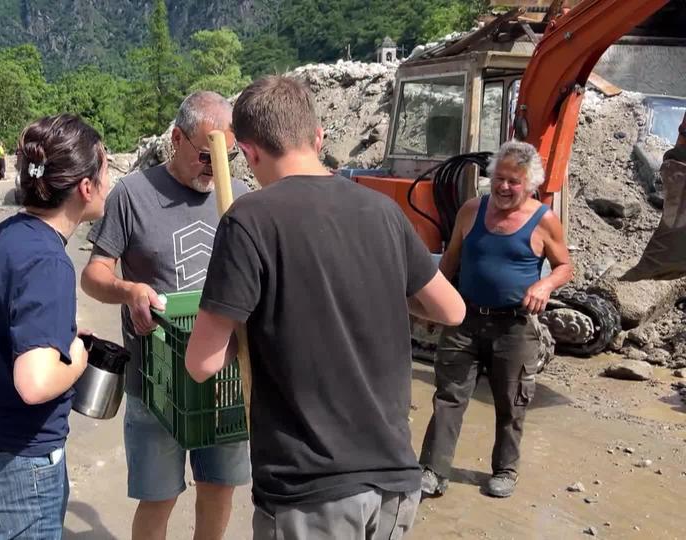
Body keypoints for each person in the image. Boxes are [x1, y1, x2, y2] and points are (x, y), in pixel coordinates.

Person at [183, 76, 466, 539]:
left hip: (310, 490)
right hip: (395, 481)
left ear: (251, 154)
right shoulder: (383, 212)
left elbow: (201, 363)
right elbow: (451, 310)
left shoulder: (249, 219)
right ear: (318, 138)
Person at [81, 91, 251, 540]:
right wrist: (129, 290)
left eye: (226, 157)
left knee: (219, 488)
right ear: (176, 138)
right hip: (155, 382)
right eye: (205, 154)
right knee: (159, 497)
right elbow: (95, 275)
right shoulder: (133, 194)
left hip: (225, 380)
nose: (215, 169)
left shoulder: (240, 198)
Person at [0, 114, 110, 538]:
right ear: (86, 187)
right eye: (107, 170)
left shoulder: (2, 239)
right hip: (9, 466)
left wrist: (60, 342)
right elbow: (34, 383)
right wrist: (78, 358)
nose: (109, 181)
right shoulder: (48, 262)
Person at [418, 140, 573, 499]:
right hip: (465, 320)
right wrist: (432, 305)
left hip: (515, 327)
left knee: (511, 400)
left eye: (513, 181)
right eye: (499, 178)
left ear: (530, 184)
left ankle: (505, 470)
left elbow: (566, 265)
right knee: (449, 397)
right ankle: (433, 470)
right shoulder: (472, 211)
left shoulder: (545, 221)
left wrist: (545, 284)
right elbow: (450, 262)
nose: (504, 187)